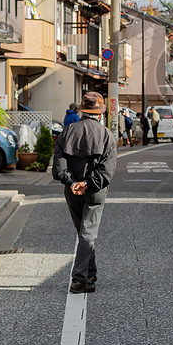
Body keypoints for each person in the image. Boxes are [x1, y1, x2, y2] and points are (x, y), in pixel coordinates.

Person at [53, 91, 117, 294]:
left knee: (85, 233)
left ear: (82, 111)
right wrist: (88, 183)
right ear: (99, 114)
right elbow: (107, 169)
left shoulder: (67, 131)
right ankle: (80, 279)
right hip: (96, 190)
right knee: (88, 234)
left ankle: (90, 274)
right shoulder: (106, 134)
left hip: (71, 190)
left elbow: (58, 165)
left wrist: (73, 182)